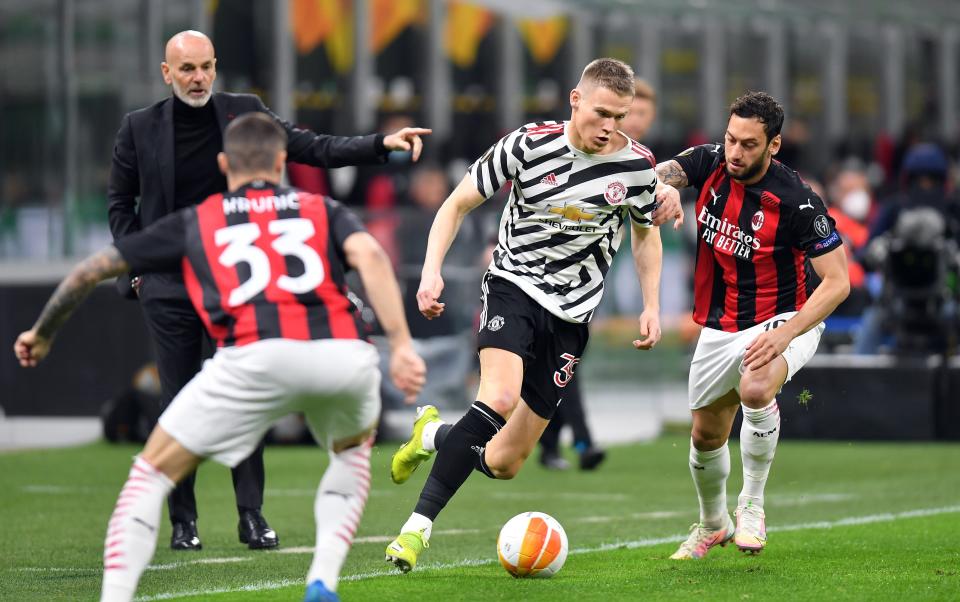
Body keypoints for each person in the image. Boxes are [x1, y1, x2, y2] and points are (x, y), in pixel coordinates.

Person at [15, 113, 426, 602]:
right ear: (280, 161)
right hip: (342, 357)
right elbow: (373, 258)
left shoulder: (200, 218)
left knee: (148, 476)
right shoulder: (320, 207)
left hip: (253, 358)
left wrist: (42, 333)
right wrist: (400, 345)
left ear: (223, 163)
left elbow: (91, 271)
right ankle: (322, 580)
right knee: (351, 454)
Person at [107, 30, 430, 551]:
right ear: (166, 74)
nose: (199, 78)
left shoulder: (244, 113)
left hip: (236, 286)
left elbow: (310, 147)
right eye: (187, 69)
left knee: (248, 398)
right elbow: (121, 204)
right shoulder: (138, 127)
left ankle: (251, 516)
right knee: (176, 403)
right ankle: (183, 522)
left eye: (207, 66)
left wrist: (379, 145)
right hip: (168, 287)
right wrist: (138, 267)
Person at [381, 57, 683, 573]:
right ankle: (415, 532)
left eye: (621, 116)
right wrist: (431, 271)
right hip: (512, 288)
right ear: (575, 100)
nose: (609, 127)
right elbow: (454, 205)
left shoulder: (635, 165)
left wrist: (652, 303)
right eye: (601, 113)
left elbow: (645, 232)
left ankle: (431, 436)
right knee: (496, 396)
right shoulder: (526, 145)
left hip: (572, 317)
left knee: (504, 462)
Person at [654, 91, 849, 559]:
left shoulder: (800, 203)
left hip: (784, 317)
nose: (735, 152)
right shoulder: (709, 162)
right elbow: (658, 173)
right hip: (722, 323)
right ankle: (712, 523)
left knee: (757, 387)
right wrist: (659, 187)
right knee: (704, 435)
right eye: (730, 140)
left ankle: (753, 506)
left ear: (773, 145)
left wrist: (786, 334)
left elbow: (837, 283)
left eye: (747, 144)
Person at [538, 77, 661, 471]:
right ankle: (583, 439)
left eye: (640, 114)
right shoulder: (581, 147)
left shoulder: (637, 162)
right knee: (562, 360)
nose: (635, 121)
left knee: (560, 361)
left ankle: (550, 444)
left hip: (596, 273)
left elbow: (648, 212)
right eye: (630, 113)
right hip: (548, 273)